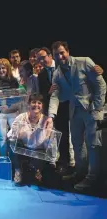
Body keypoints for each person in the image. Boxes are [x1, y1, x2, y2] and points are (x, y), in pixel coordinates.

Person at [46, 41, 106, 190]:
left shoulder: (84, 62)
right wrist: (50, 116)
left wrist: (97, 108)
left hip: (91, 109)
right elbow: (56, 95)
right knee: (77, 143)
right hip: (75, 111)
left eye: (62, 52)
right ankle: (80, 172)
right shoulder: (57, 73)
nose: (60, 56)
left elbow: (101, 85)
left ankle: (92, 177)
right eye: (57, 54)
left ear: (67, 51)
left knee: (93, 144)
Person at [8, 94, 54, 185]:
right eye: (33, 102)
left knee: (36, 177)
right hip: (23, 148)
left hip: (38, 150)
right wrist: (19, 133)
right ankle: (18, 171)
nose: (36, 105)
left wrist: (52, 160)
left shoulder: (47, 121)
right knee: (11, 144)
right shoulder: (21, 117)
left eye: (39, 103)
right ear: (28, 104)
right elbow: (11, 136)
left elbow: (51, 142)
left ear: (42, 106)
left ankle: (37, 170)